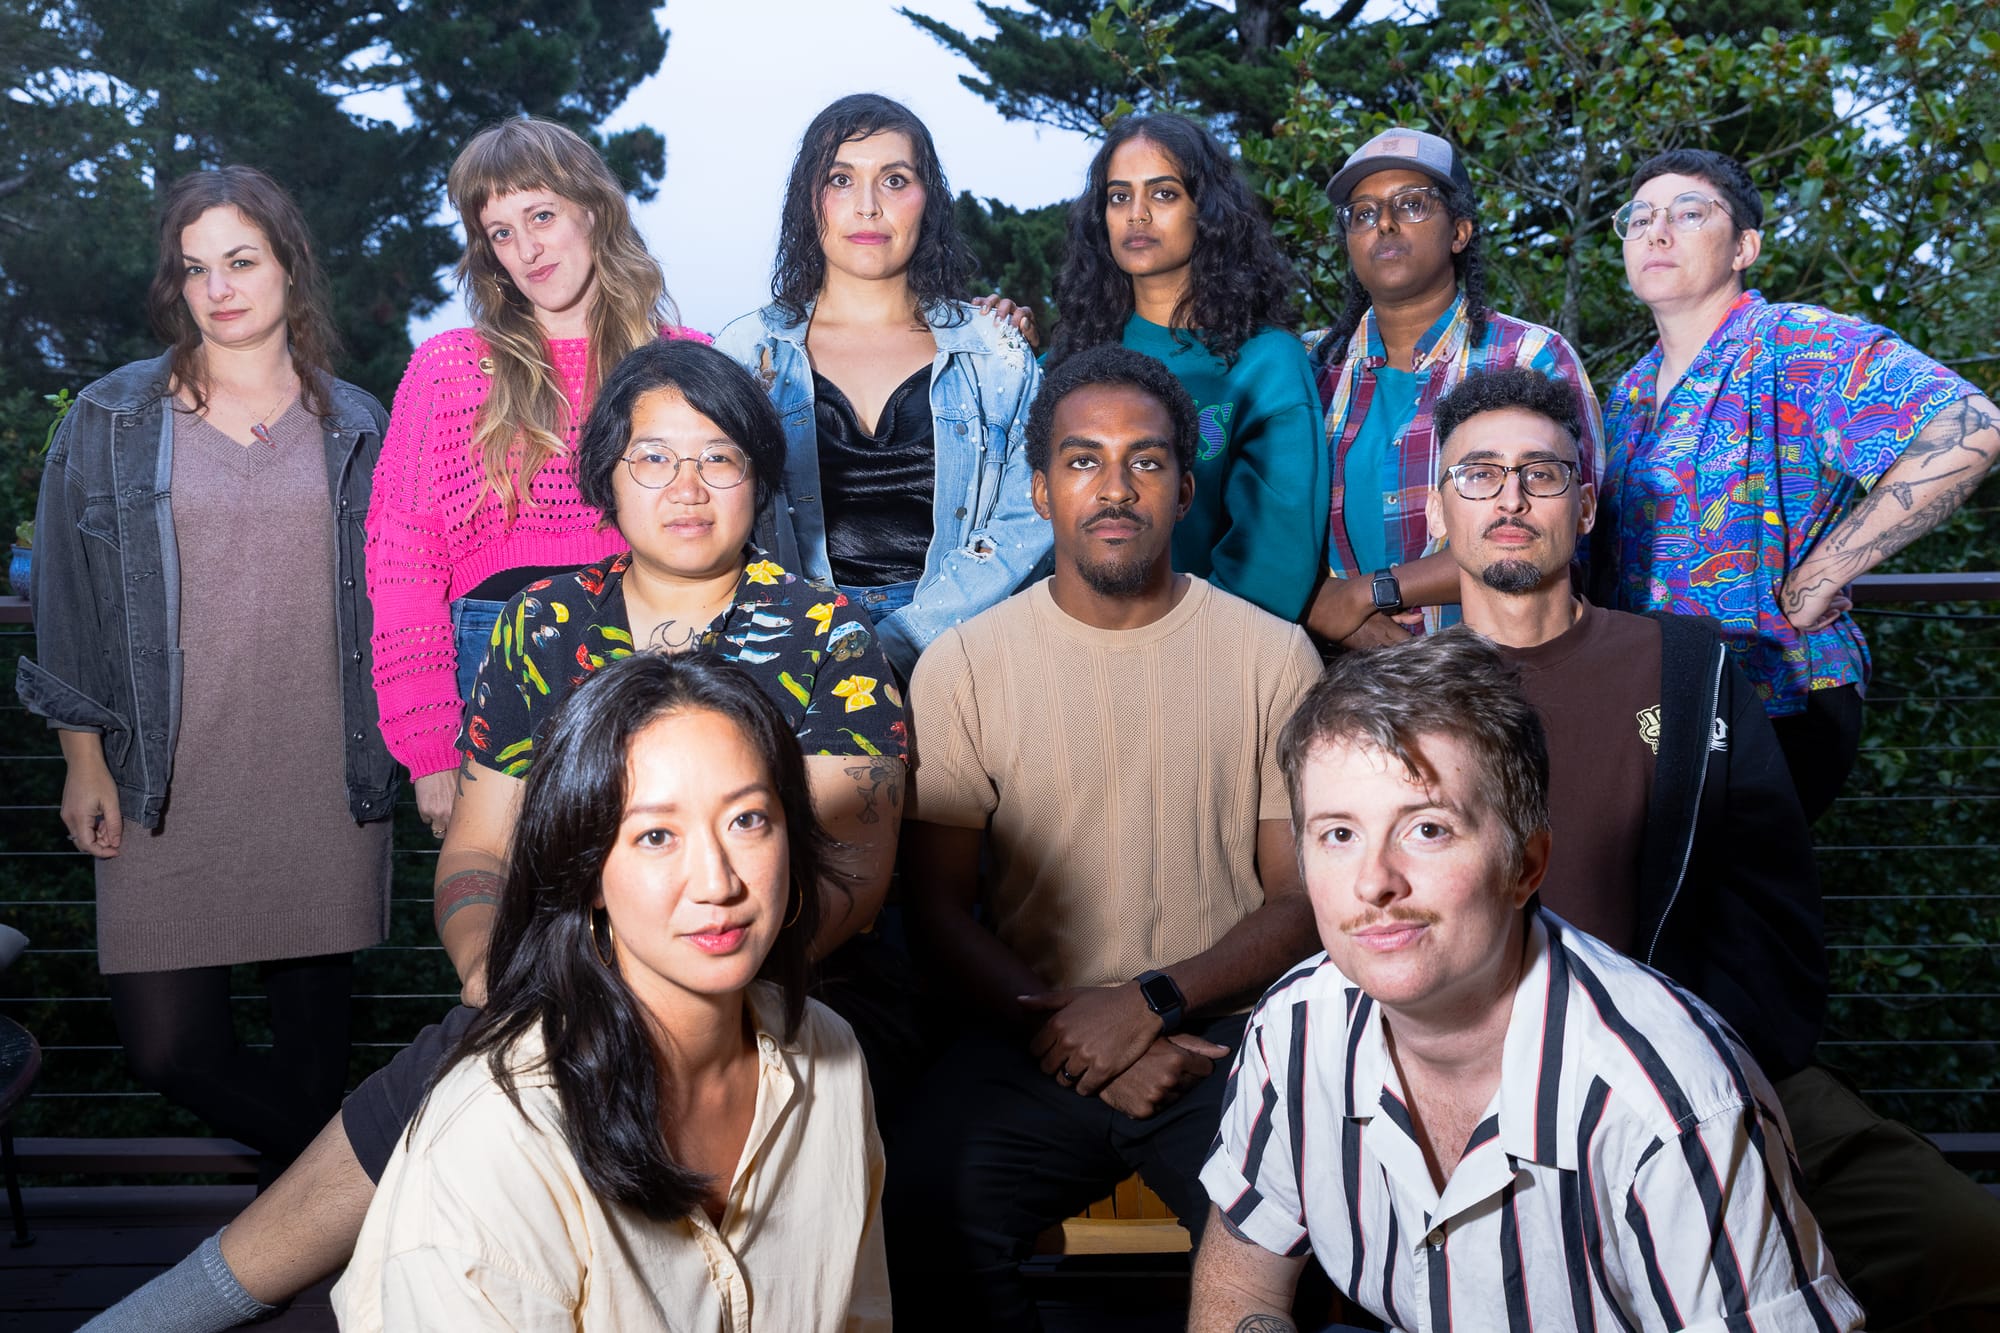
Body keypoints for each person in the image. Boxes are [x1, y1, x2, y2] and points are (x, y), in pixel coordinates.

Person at [80, 341, 907, 1333]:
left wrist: (669, 976)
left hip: (782, 977)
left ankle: (179, 1309)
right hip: (560, 980)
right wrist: (490, 966)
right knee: (486, 1042)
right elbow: (477, 852)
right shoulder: (543, 625)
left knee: (484, 1061)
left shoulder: (832, 636)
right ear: (603, 479)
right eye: (653, 457)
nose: (686, 485)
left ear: (760, 479)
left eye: (718, 457)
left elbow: (847, 873)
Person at [1429, 366, 2000, 1332]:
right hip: (1493, 1108)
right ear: (1442, 508)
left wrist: (1713, 1075)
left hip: (1722, 1074)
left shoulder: (1690, 668)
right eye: (1479, 474)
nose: (1513, 497)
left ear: (1588, 499)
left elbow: (1774, 898)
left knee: (1969, 1248)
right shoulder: (1396, 700)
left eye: (1542, 472)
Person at [1189, 631, 1862, 1332]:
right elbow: (1239, 1283)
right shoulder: (1295, 1026)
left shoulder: (1676, 1105)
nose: (1373, 882)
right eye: (1338, 834)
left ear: (1527, 864)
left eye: (1427, 828)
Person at [887, 344, 1324, 1330]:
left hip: (1220, 1039)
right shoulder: (961, 666)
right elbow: (935, 906)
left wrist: (1154, 1004)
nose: (1115, 486)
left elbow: (1298, 900)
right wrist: (1072, 1029)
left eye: (1146, 461)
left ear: (1181, 488)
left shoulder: (1271, 657)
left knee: (1313, 1235)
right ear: (1040, 490)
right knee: (917, 1203)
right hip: (1025, 1028)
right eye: (1083, 460)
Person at [17, 167, 394, 1175]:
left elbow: (403, 594)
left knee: (314, 1063)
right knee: (169, 1048)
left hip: (323, 776)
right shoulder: (109, 419)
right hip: (162, 780)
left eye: (241, 260)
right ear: (174, 285)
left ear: (286, 266)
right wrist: (81, 755)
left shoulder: (357, 422)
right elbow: (67, 600)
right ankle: (381, 1188)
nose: (220, 288)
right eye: (195, 269)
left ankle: (318, 1257)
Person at [332, 652, 890, 1329]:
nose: (717, 882)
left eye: (747, 820)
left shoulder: (829, 1056)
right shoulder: (496, 1138)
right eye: (657, 835)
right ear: (588, 872)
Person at [1595, 147, 2000, 821]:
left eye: (1689, 213)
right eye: (1639, 219)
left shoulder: (1793, 343)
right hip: (1653, 702)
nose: (1656, 232)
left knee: (1744, 917)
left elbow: (1974, 426)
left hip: (1773, 697)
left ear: (1743, 247)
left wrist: (1824, 571)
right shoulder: (1628, 393)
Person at [366, 116, 708, 838]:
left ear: (593, 207)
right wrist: (429, 746)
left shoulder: (682, 361)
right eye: (500, 232)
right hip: (494, 655)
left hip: (658, 641)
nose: (525, 249)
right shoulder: (451, 369)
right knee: (512, 918)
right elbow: (401, 560)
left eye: (541, 215)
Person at [715, 93, 1048, 680]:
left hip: (970, 650)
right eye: (841, 179)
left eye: (894, 180)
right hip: (786, 651)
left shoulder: (994, 353)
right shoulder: (746, 354)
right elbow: (719, 518)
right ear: (807, 201)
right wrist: (811, 636)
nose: (868, 206)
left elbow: (1030, 516)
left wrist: (910, 635)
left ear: (929, 201)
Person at [1302, 126, 1603, 650]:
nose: (1386, 224)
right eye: (1364, 213)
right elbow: (1267, 526)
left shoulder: (1528, 357)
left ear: (1460, 232)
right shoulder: (1311, 369)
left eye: (1412, 204)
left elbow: (1564, 532)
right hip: (1336, 674)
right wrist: (1324, 608)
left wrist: (1366, 596)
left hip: (1495, 669)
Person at [1046, 111, 1327, 624]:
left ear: (1208, 212)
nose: (1137, 215)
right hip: (1065, 641)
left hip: (1214, 648)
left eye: (1164, 194)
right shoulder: (1068, 359)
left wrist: (1181, 644)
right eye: (1119, 196)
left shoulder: (1266, 362)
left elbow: (1274, 558)